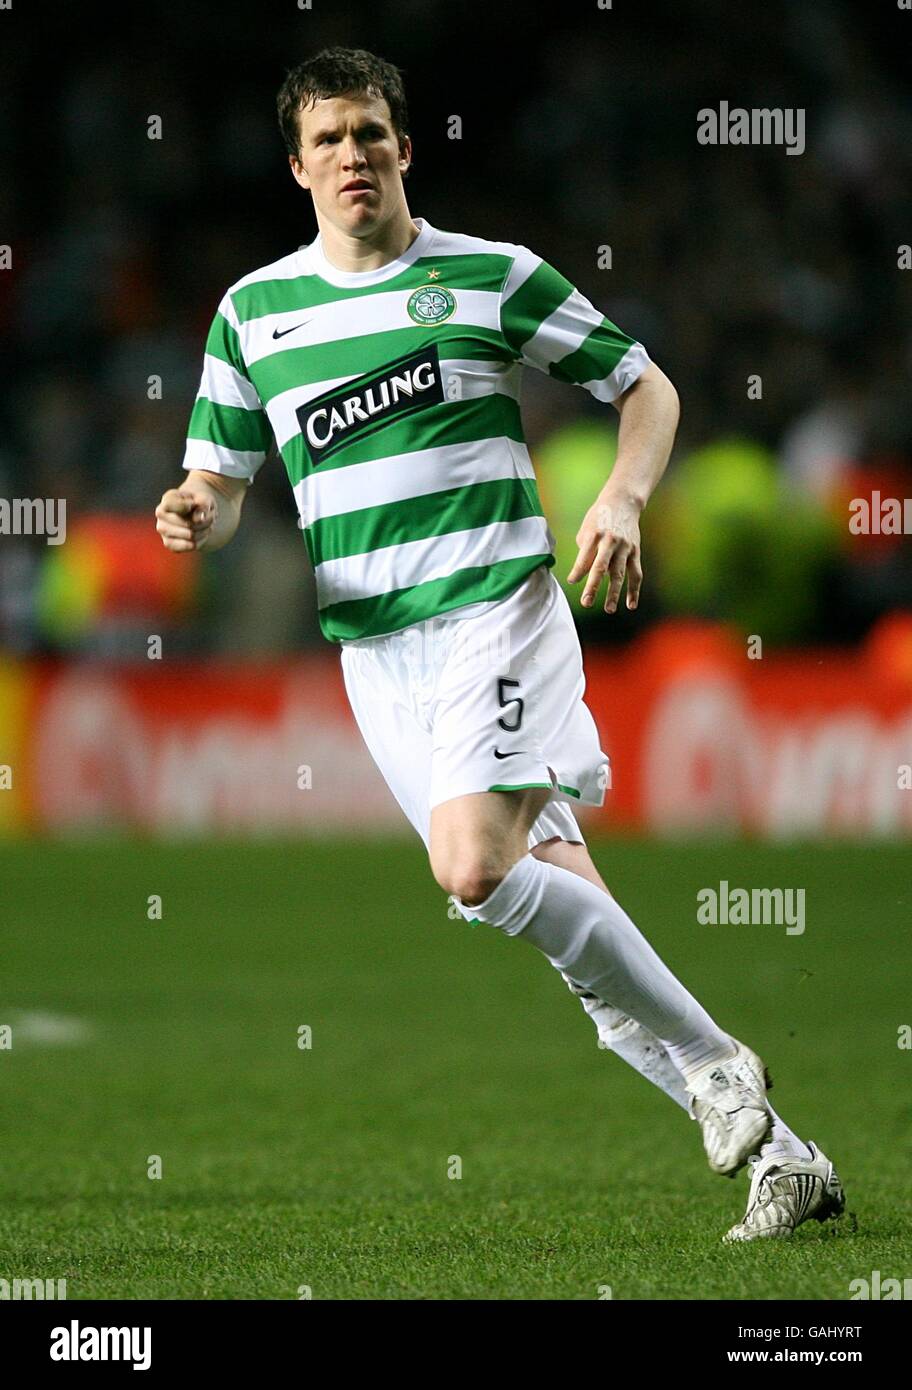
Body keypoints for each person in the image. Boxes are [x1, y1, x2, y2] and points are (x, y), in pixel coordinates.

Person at [155, 45, 843, 1242]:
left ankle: (718, 1059)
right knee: (557, 915)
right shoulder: (254, 313)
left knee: (471, 867)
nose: (353, 156)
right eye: (330, 140)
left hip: (498, 614)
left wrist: (622, 497)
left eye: (371, 133)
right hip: (376, 659)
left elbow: (648, 387)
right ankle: (789, 1162)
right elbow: (218, 477)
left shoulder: (491, 276)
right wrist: (197, 509)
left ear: (404, 148)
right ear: (297, 166)